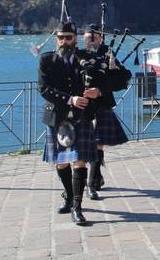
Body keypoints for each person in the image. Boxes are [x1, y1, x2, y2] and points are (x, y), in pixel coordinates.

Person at [39, 21, 97, 225]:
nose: (64, 41)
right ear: (56, 39)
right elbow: (44, 89)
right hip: (57, 116)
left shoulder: (86, 59)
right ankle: (70, 194)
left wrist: (98, 90)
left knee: (79, 160)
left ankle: (77, 207)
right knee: (61, 162)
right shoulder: (47, 59)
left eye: (68, 37)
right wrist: (69, 99)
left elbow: (110, 79)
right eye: (60, 37)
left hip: (81, 116)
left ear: (76, 38)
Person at [80, 25, 132, 200]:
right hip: (82, 105)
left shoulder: (109, 55)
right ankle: (95, 177)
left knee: (97, 142)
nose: (91, 41)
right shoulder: (78, 55)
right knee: (83, 145)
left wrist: (101, 90)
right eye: (88, 38)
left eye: (94, 38)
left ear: (101, 38)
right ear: (83, 38)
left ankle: (91, 183)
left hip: (101, 104)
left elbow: (123, 78)